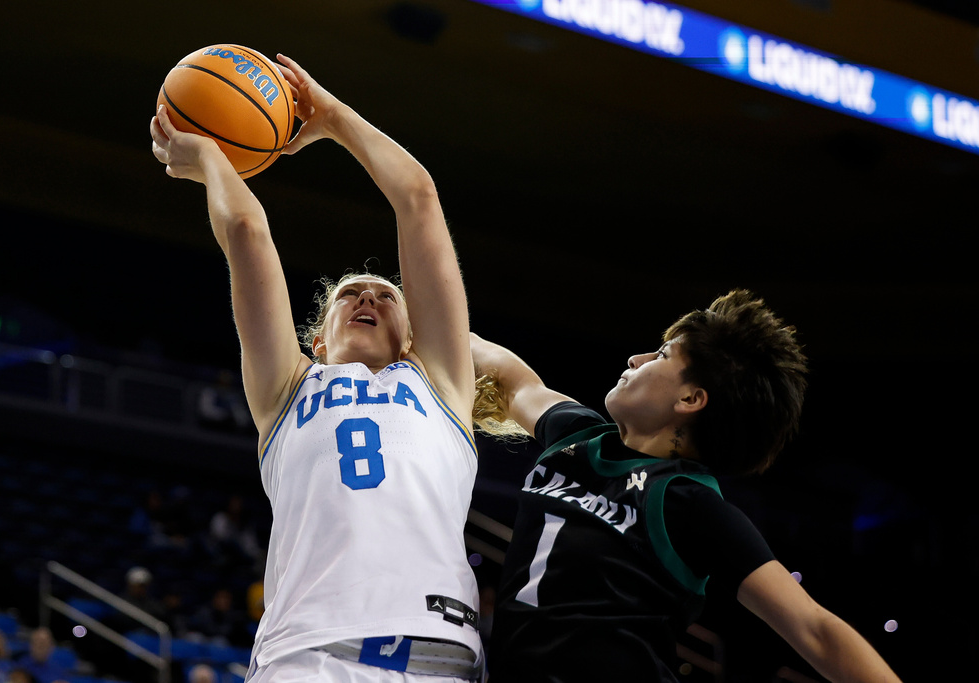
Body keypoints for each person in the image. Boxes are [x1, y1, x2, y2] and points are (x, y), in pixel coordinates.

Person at [150, 54, 482, 681]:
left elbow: (417, 198)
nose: (369, 299)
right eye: (350, 295)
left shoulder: (438, 380)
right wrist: (209, 160)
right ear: (318, 343)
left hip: (436, 649)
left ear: (414, 337)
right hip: (305, 653)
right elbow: (247, 231)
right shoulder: (287, 389)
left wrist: (330, 116)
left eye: (388, 297)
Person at [470, 290, 901, 682]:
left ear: (690, 400)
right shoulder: (576, 436)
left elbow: (816, 630)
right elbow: (505, 372)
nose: (635, 359)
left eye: (660, 354)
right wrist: (406, 310)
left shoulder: (690, 504)